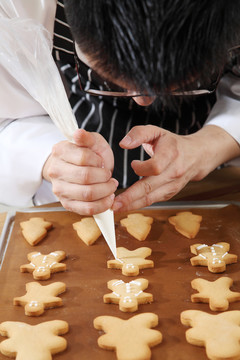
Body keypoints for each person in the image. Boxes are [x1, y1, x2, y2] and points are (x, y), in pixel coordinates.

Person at [1, 0, 240, 215]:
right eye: (115, 79)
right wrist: (49, 159)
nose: (143, 101)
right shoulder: (15, 6)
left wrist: (208, 146)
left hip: (219, 182)